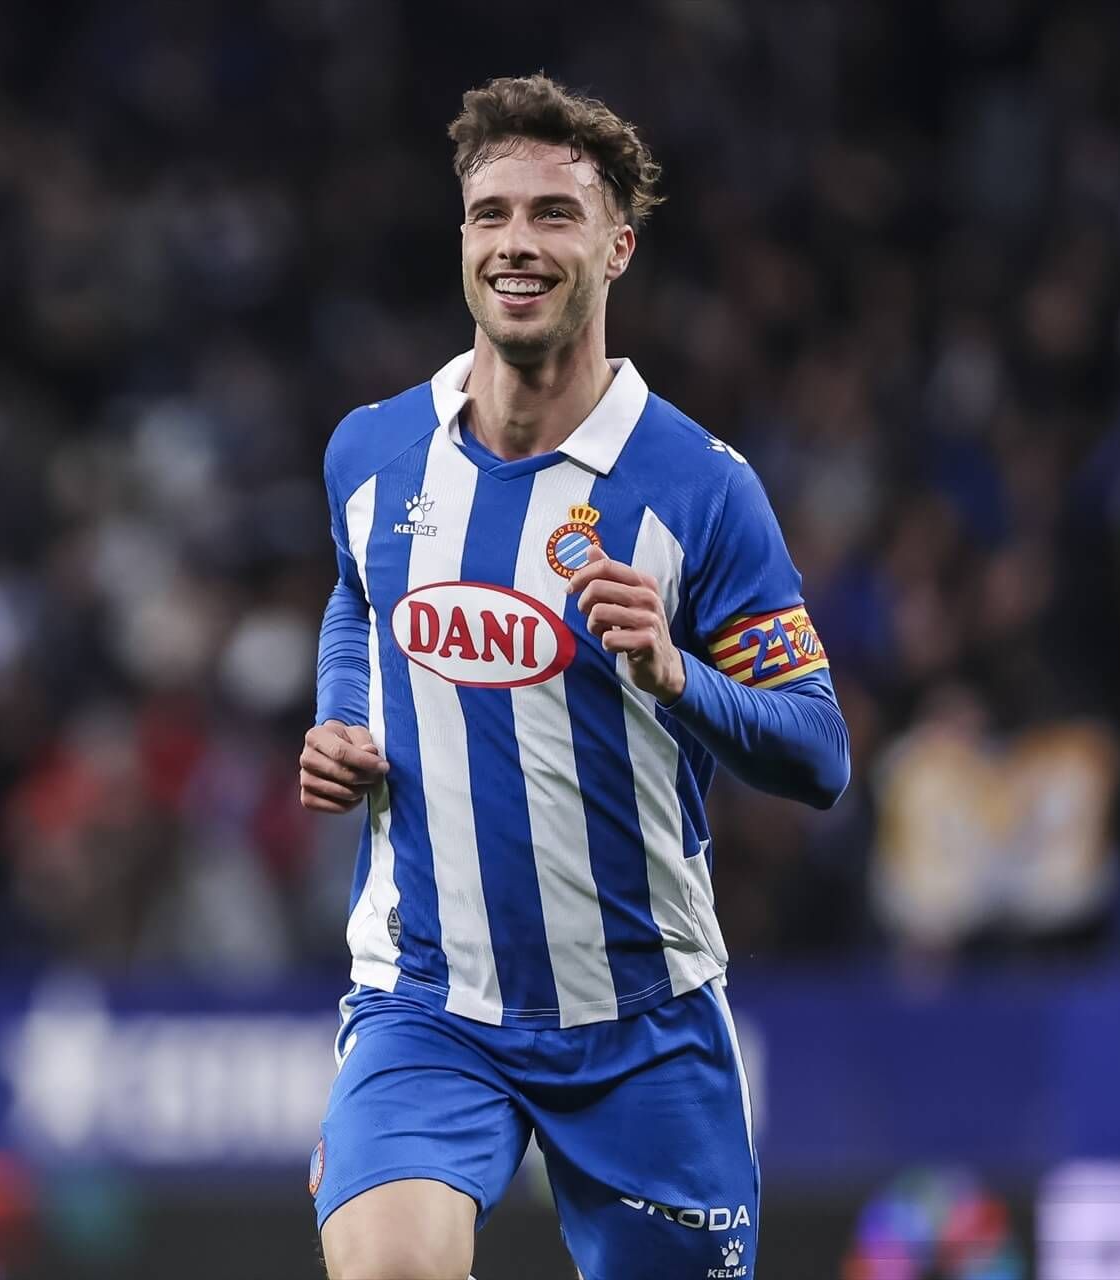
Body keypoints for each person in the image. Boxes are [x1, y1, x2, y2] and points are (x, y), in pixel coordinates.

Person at [299, 73, 850, 1280]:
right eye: (492, 211)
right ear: (461, 238)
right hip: (428, 1001)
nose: (518, 242)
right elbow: (358, 590)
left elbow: (819, 750)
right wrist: (345, 714)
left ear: (617, 245)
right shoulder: (373, 450)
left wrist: (676, 675)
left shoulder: (703, 488)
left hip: (644, 1021)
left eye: (555, 213)